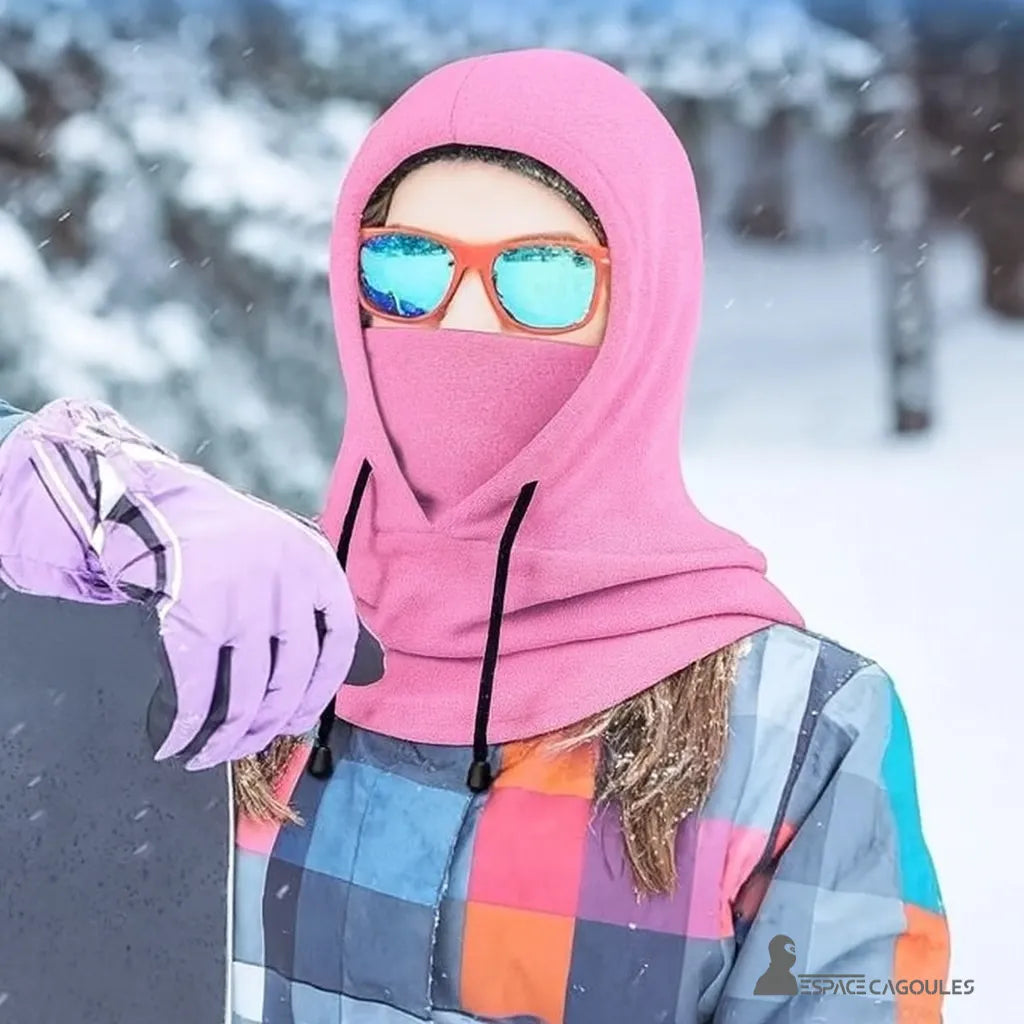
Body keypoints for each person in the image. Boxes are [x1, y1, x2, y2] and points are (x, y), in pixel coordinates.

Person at [0, 49, 948, 1024]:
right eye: (405, 267)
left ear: (645, 310)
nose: (459, 319)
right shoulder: (223, 629)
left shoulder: (798, 731)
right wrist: (60, 483)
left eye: (541, 276)